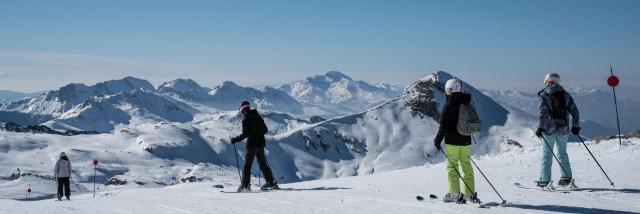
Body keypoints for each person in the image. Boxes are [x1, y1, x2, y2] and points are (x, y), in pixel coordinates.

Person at [434, 79, 478, 203]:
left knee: (452, 167)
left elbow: (443, 124)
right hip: (465, 140)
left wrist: (438, 140)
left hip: (452, 142)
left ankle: (454, 194)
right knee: (466, 166)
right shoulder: (466, 102)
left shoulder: (449, 104)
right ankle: (469, 194)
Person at [535, 73, 580, 188]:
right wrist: (575, 126)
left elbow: (543, 113)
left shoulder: (544, 95)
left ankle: (545, 180)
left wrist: (540, 127)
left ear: (548, 81)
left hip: (548, 130)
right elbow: (574, 111)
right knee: (562, 153)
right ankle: (566, 178)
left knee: (547, 155)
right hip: (563, 129)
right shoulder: (565, 94)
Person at [230, 101, 279, 192]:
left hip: (252, 145)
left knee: (247, 166)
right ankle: (271, 182)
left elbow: (245, 134)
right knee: (263, 163)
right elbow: (265, 130)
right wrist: (258, 134)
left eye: (242, 111)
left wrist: (235, 139)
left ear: (243, 110)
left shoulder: (246, 119)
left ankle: (245, 186)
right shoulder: (258, 116)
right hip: (260, 144)